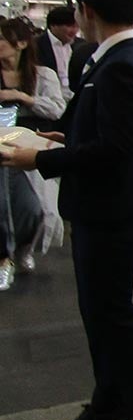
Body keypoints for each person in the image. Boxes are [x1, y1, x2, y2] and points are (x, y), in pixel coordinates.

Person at [1, 0, 133, 420]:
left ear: (87, 11)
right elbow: (119, 134)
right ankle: (108, 405)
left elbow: (118, 148)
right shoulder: (121, 58)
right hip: (105, 203)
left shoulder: (123, 64)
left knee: (112, 314)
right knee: (100, 313)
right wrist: (67, 137)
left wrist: (40, 160)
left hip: (112, 206)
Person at [0, 16, 67, 288]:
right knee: (3, 202)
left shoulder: (43, 76)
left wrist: (22, 97)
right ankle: (4, 257)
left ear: (21, 43)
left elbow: (57, 109)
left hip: (33, 148)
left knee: (35, 208)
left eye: (2, 39)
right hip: (3, 149)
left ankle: (23, 248)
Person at [36, 5, 89, 101]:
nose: (74, 31)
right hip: (50, 99)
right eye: (69, 26)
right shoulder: (36, 45)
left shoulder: (82, 45)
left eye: (77, 26)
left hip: (75, 98)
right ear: (53, 25)